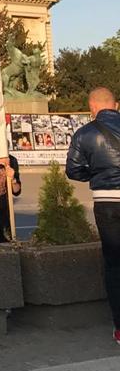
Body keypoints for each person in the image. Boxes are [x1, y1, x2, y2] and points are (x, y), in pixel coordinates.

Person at [66, 87, 120, 345]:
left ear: (92, 108)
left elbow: (73, 170)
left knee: (114, 264)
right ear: (116, 105)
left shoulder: (84, 133)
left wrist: (97, 176)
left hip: (107, 203)